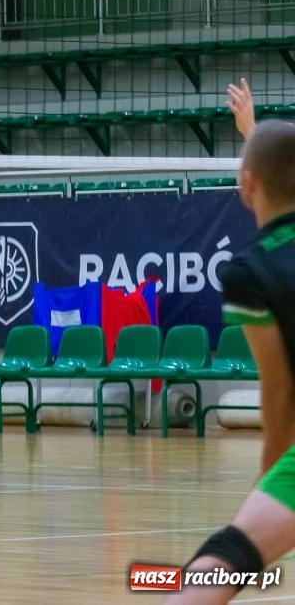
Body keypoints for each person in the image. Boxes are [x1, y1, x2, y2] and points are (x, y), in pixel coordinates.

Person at [167, 81, 295, 603]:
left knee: (225, 561)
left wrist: (270, 475)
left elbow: (279, 390)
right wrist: (255, 133)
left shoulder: (251, 270)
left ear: (246, 186)